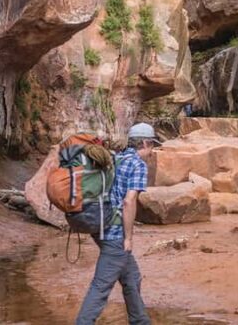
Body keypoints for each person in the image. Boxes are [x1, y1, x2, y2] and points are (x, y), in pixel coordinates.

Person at [76, 122, 160, 325]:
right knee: (101, 286)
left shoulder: (117, 157)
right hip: (115, 233)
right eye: (152, 146)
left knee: (132, 277)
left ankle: (140, 321)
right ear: (145, 143)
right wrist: (128, 238)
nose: (152, 152)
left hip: (100, 226)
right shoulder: (138, 165)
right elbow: (129, 201)